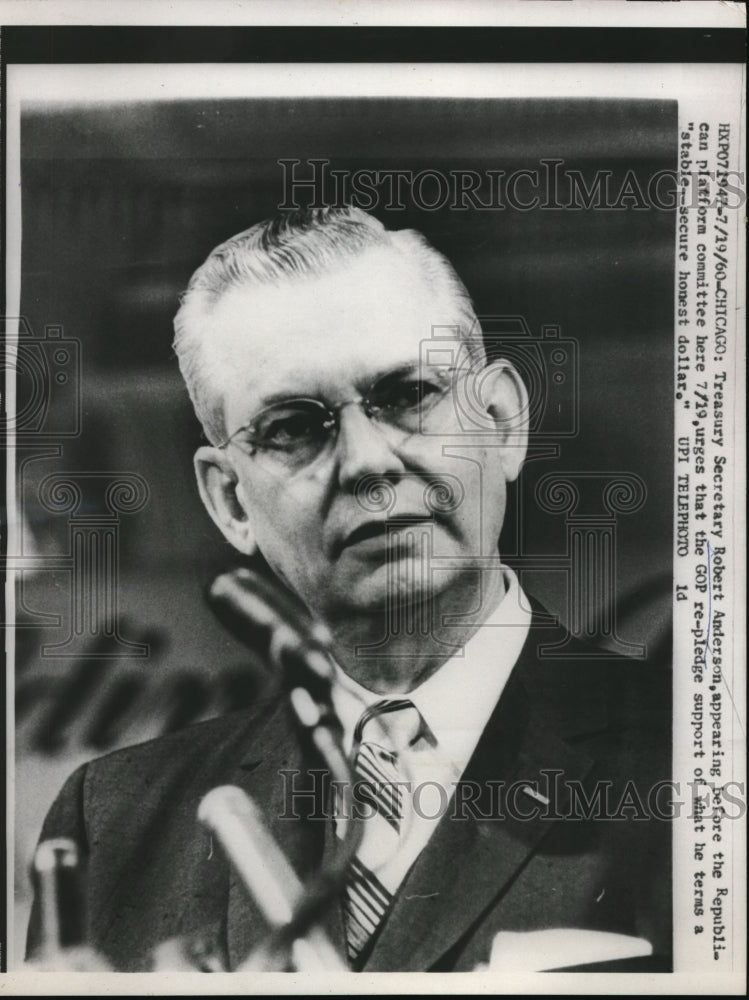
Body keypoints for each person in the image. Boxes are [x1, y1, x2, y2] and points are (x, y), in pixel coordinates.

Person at [27, 207, 671, 972]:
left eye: (408, 395)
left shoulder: (697, 759)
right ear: (230, 500)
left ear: (500, 420)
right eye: (295, 428)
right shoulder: (116, 822)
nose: (367, 461)